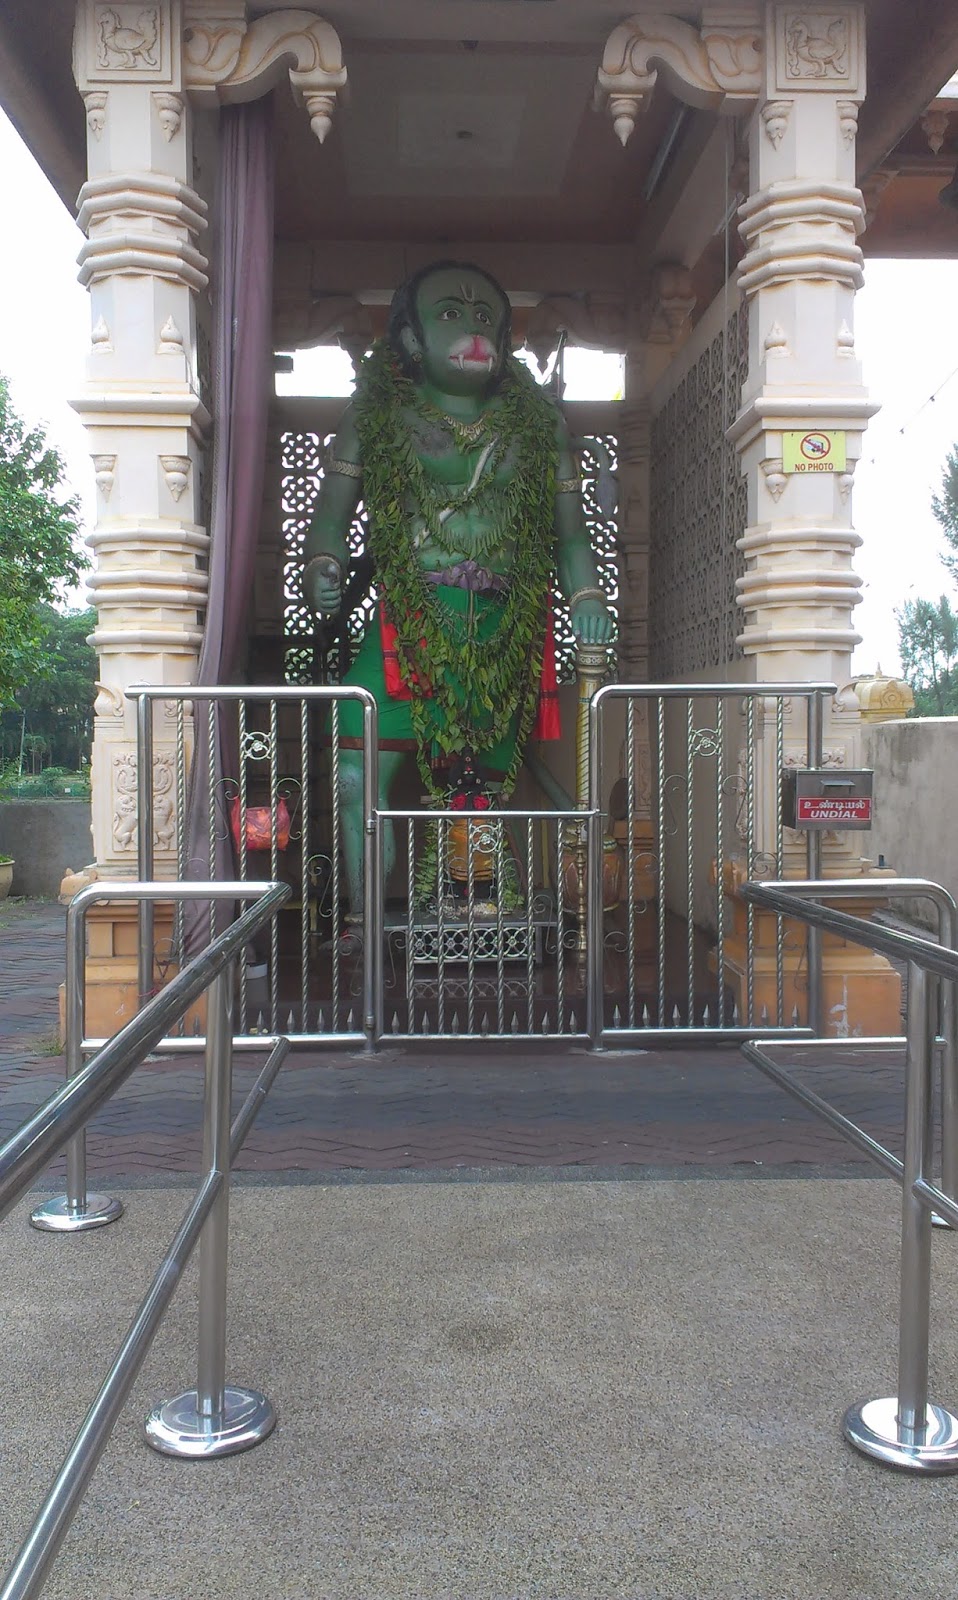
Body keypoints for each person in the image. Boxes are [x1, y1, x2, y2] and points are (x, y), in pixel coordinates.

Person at [302, 259, 614, 918]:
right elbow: (328, 521)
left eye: (484, 317)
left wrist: (588, 599)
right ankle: (363, 929)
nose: (472, 330)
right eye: (450, 314)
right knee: (358, 778)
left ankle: (476, 906)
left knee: (481, 795)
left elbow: (572, 539)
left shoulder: (539, 426)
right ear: (411, 340)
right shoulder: (377, 418)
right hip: (407, 626)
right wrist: (322, 568)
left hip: (501, 631)